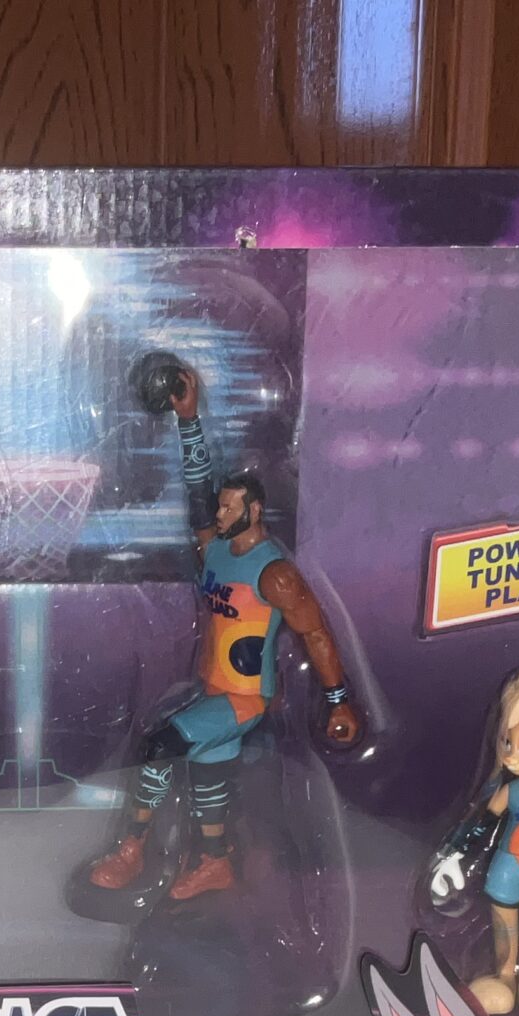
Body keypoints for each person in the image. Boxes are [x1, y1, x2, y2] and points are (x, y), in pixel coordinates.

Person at [85, 363, 362, 901]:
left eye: (230, 506)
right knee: (207, 777)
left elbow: (317, 634)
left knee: (161, 746)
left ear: (254, 511)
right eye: (221, 504)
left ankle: (131, 849)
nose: (219, 509)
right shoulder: (212, 549)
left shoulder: (274, 574)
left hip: (245, 699)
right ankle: (215, 863)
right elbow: (197, 487)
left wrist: (338, 701)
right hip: (213, 689)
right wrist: (188, 419)